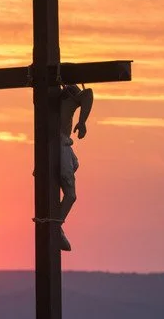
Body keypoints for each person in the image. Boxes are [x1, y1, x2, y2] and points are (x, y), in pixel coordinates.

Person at [58, 84, 93, 251]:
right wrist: (82, 122)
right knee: (70, 195)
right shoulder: (69, 91)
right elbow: (88, 94)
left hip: (56, 144)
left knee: (75, 164)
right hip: (59, 144)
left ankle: (55, 224)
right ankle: (55, 227)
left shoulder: (47, 94)